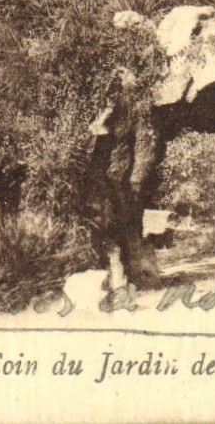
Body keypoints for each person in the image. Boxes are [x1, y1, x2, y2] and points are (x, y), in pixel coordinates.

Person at [84, 64, 162, 290]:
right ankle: (115, 277)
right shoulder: (104, 113)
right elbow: (92, 139)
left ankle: (129, 277)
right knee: (106, 225)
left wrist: (135, 181)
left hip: (121, 180)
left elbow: (142, 146)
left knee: (125, 224)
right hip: (105, 181)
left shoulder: (130, 112)